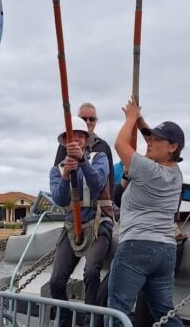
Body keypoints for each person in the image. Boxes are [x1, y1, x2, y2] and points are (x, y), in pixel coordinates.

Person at [108, 96, 184, 327]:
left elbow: (120, 145)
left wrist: (131, 119)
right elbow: (153, 144)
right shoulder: (176, 173)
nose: (150, 142)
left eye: (157, 140)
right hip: (166, 251)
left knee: (117, 311)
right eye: (150, 138)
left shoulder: (147, 169)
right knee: (164, 312)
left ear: (173, 147)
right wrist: (142, 124)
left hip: (137, 248)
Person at [49, 116, 114, 327]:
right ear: (64, 141)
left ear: (86, 140)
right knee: (56, 280)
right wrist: (67, 175)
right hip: (71, 226)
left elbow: (96, 184)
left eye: (80, 135)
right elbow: (59, 199)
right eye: (72, 136)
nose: (76, 139)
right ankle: (65, 322)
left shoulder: (99, 158)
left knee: (92, 271)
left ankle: (90, 323)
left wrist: (83, 163)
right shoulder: (57, 169)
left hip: (98, 222)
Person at [54, 102, 116, 202]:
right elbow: (59, 171)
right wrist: (66, 174)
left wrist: (111, 202)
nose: (88, 122)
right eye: (84, 119)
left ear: (96, 121)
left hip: (99, 209)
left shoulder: (103, 147)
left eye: (91, 119)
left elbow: (109, 179)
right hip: (73, 208)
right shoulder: (63, 148)